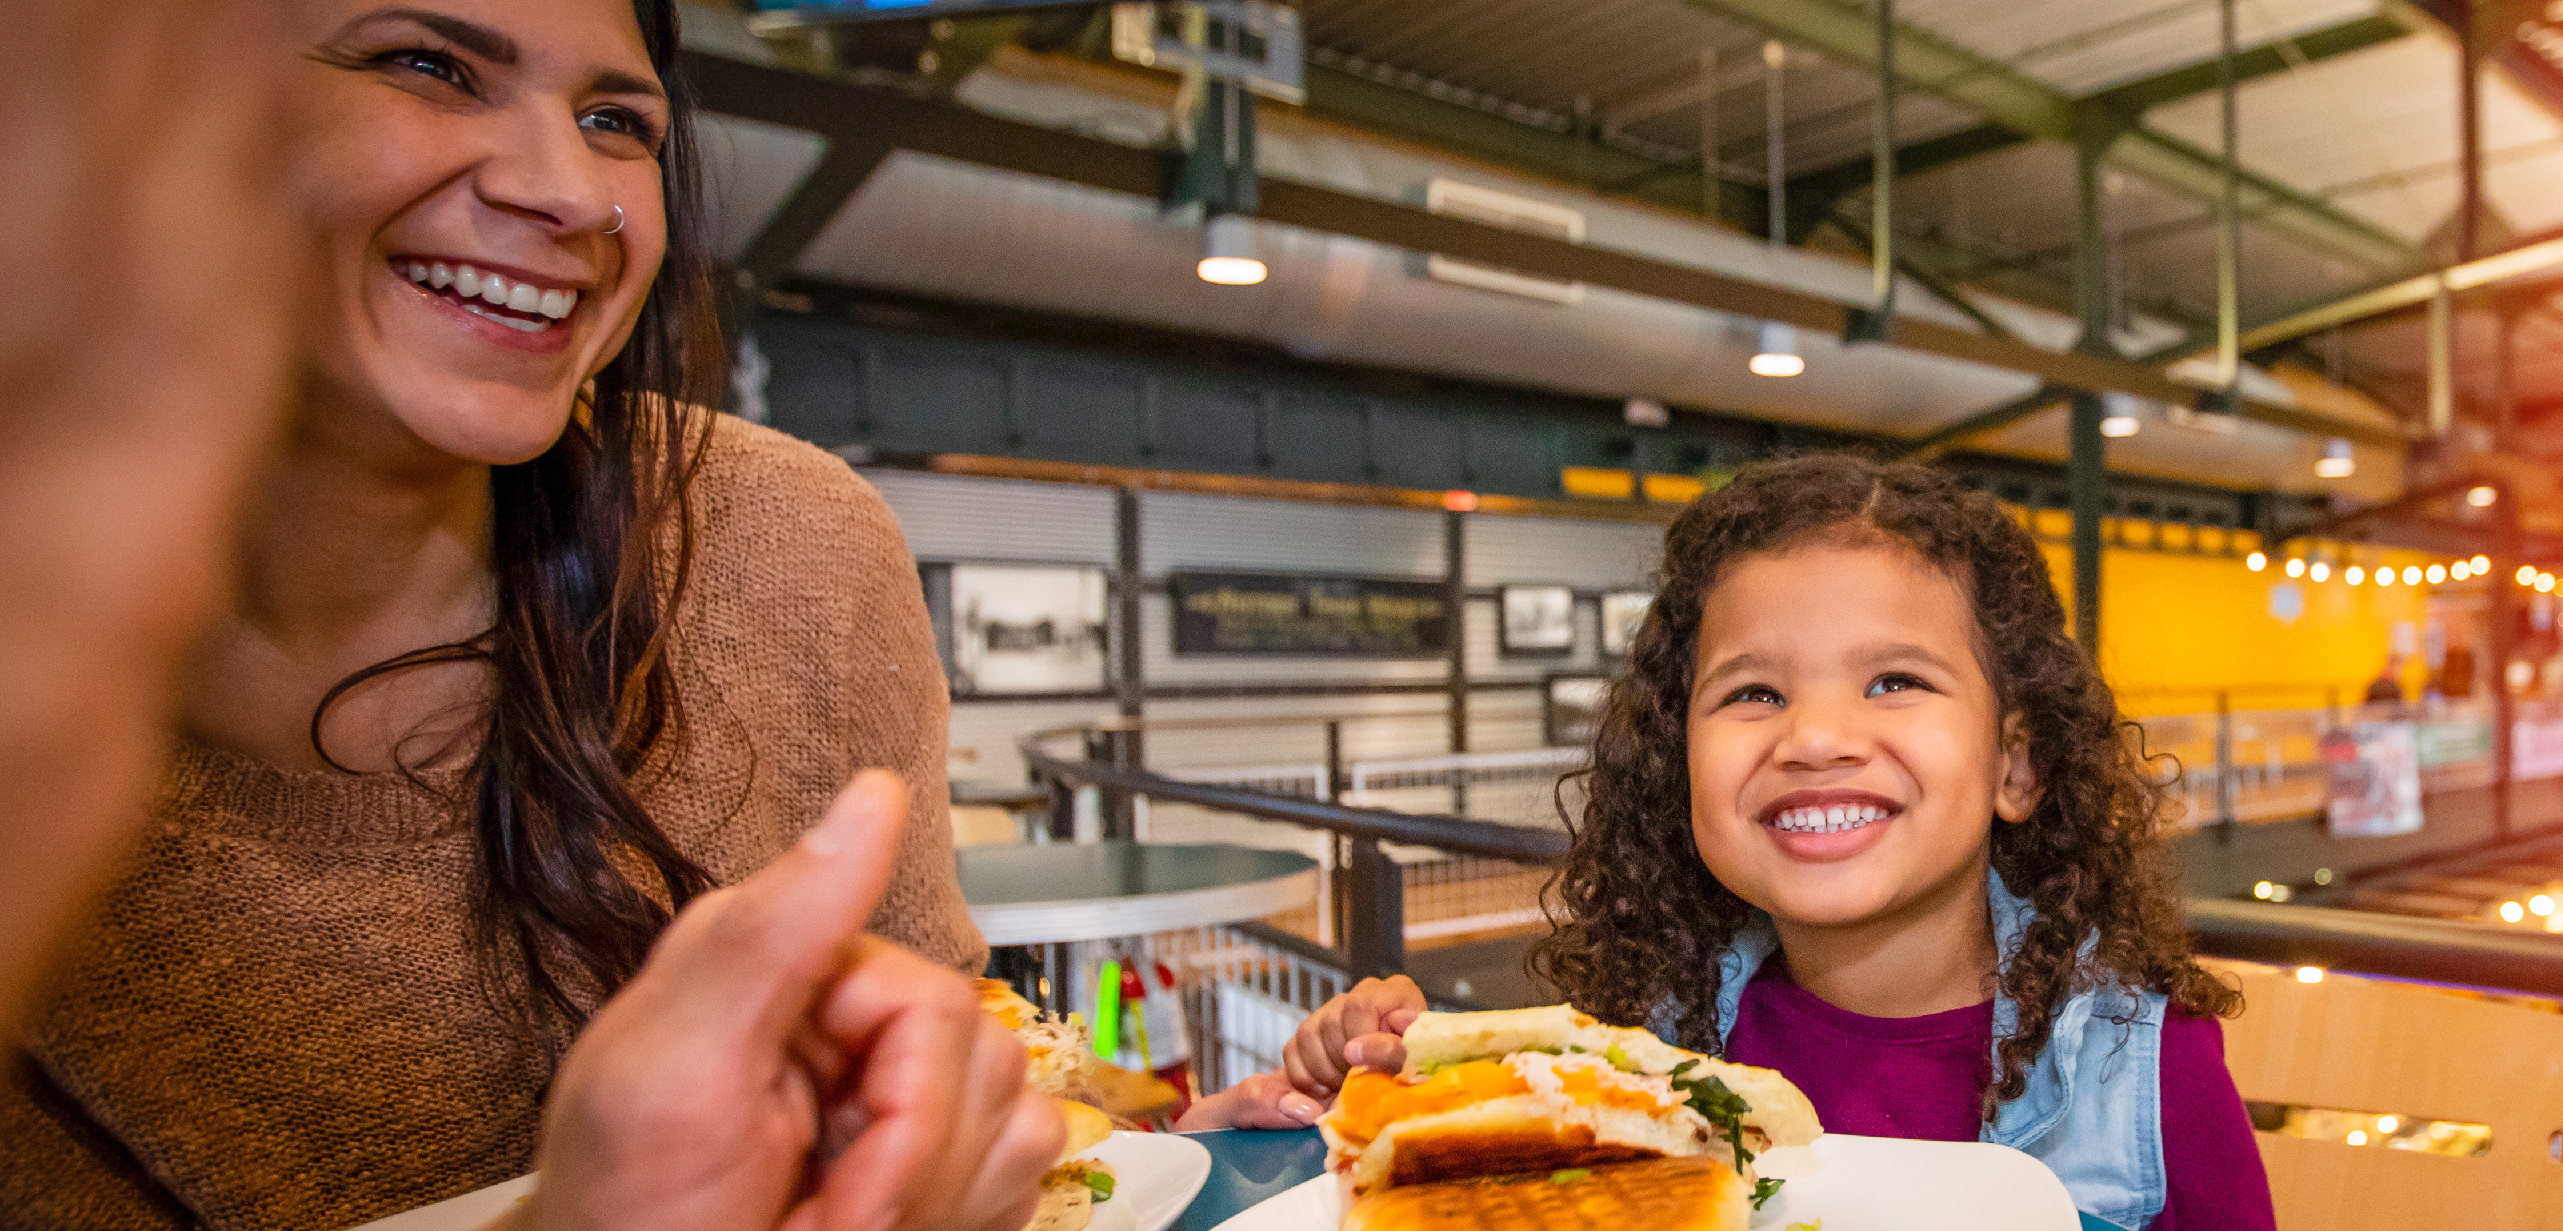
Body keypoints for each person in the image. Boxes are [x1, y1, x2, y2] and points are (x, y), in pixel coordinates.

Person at [2, 1, 1003, 1225]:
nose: (573, 193)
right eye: (426, 64)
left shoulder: (789, 543)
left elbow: (953, 1045)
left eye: (615, 119)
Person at [1203, 455, 2271, 1229]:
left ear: (2018, 766)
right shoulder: (1637, 1051)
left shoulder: (2148, 1073)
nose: (1813, 737)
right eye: (1754, 691)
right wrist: (1401, 1104)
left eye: (1894, 680)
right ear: (1680, 764)